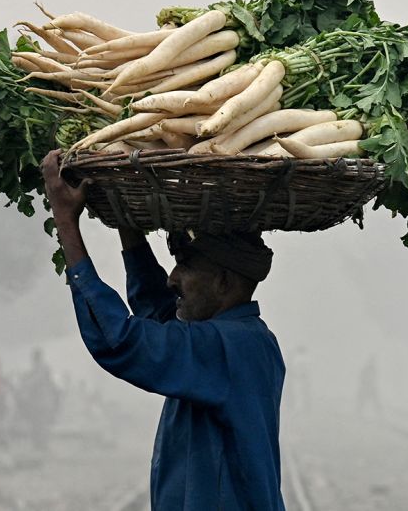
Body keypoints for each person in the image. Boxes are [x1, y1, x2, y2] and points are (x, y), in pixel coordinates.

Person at [41, 149, 286, 510]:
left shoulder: (229, 346)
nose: (172, 279)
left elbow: (122, 341)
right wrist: (127, 222)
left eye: (184, 266)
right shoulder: (236, 338)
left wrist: (65, 221)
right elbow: (158, 314)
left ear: (222, 282)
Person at [15, 348, 61, 450]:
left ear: (37, 358)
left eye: (34, 357)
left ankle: (42, 446)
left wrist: (24, 383)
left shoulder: (43, 369)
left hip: (42, 403)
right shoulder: (36, 369)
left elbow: (35, 381)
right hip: (37, 403)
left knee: (41, 425)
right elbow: (31, 379)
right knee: (37, 425)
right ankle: (38, 445)